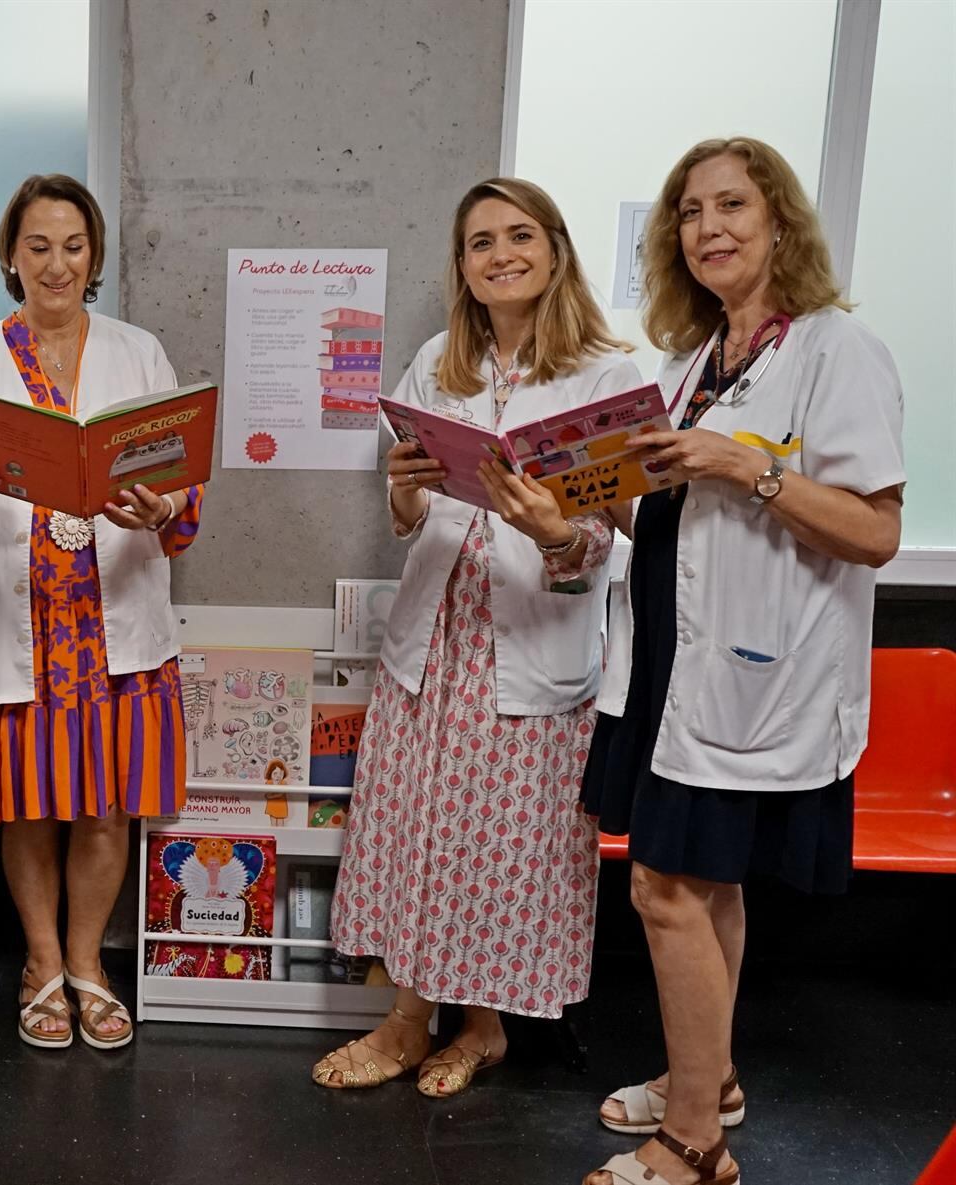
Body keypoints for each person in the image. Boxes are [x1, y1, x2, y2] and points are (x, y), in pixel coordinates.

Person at [581, 138, 905, 1185]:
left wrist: (746, 468)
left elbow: (873, 531)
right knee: (701, 888)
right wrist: (573, 507)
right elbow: (675, 530)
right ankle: (708, 1079)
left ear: (779, 222)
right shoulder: (693, 366)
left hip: (762, 674)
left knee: (665, 893)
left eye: (732, 205)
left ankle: (691, 1143)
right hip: (676, 664)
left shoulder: (833, 353)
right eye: (689, 212)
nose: (709, 227)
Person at [312, 178, 640, 1097]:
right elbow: (410, 517)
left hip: (529, 646)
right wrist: (407, 486)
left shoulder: (609, 376)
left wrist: (549, 529)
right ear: (461, 266)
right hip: (436, 645)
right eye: (480, 242)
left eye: (520, 235)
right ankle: (412, 1018)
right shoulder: (436, 363)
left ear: (556, 248)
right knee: (419, 837)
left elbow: (610, 539)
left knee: (504, 853)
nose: (501, 254)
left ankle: (482, 1025)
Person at [0, 174, 204, 1051]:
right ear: (11, 255)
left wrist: (160, 510)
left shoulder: (139, 352)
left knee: (107, 807)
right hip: (18, 622)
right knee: (29, 807)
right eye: (37, 246)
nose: (56, 264)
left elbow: (180, 490)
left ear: (95, 256)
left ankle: (88, 962)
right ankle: (40, 961)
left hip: (112, 615)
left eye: (73, 246)